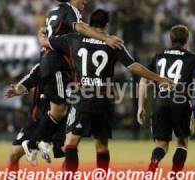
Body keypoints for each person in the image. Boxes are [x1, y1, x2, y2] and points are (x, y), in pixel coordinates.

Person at [38, 9, 173, 175]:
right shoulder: (113, 43)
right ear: (106, 24)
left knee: (71, 143)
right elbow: (134, 67)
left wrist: (42, 32)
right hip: (104, 99)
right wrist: (159, 79)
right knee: (102, 145)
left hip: (83, 98)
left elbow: (45, 42)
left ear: (89, 24)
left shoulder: (72, 38)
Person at [22, 0, 124, 164]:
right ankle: (35, 143)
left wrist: (41, 36)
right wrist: (106, 38)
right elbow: (81, 28)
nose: (85, 2)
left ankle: (46, 141)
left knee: (66, 106)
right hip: (56, 63)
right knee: (62, 109)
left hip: (52, 61)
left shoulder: (54, 11)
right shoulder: (70, 10)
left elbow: (47, 35)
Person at [137, 25, 195, 179]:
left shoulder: (159, 56)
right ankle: (174, 176)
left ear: (170, 39)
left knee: (161, 145)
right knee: (182, 143)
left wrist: (140, 106)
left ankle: (153, 165)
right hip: (181, 102)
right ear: (187, 40)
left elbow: (143, 80)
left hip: (161, 103)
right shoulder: (192, 57)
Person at [5, 63, 65, 171]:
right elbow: (26, 83)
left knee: (70, 151)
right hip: (37, 119)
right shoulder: (42, 66)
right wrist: (16, 90)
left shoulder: (72, 65)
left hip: (59, 121)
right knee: (14, 155)